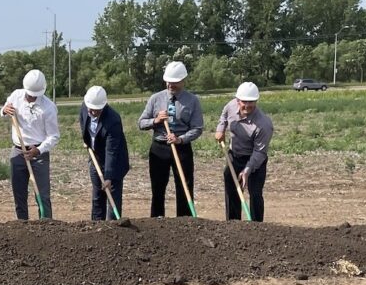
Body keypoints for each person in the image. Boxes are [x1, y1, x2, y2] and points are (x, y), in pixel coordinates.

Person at [138, 61, 204, 218]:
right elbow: (141, 123)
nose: (170, 85)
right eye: (168, 81)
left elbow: (197, 128)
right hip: (159, 148)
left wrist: (180, 139)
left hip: (181, 148)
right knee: (158, 187)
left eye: (174, 82)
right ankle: (157, 220)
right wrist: (156, 121)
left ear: (183, 81)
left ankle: (184, 221)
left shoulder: (192, 101)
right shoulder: (155, 99)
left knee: (184, 186)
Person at [0, 69, 59, 220]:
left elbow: (54, 136)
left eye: (35, 94)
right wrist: (4, 110)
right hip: (18, 151)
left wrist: (38, 150)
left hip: (38, 153)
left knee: (42, 195)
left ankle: (47, 226)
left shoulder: (49, 107)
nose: (32, 96)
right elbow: (4, 110)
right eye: (30, 93)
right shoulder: (16, 95)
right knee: (19, 195)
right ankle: (22, 226)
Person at [215, 82, 273, 222]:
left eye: (251, 102)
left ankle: (257, 226)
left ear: (256, 101)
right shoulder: (230, 106)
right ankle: (233, 224)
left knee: (255, 194)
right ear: (237, 100)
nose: (247, 106)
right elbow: (223, 117)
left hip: (255, 160)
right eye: (244, 102)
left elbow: (259, 152)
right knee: (232, 190)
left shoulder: (264, 124)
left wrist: (247, 170)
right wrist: (220, 129)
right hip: (234, 156)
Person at [79, 86, 129, 221]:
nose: (91, 112)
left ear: (103, 106)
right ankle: (97, 226)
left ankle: (113, 228)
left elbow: (111, 150)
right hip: (96, 157)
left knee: (112, 196)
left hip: (115, 162)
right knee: (97, 196)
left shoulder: (113, 120)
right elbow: (83, 123)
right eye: (90, 108)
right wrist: (87, 140)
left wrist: (108, 177)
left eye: (95, 110)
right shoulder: (85, 107)